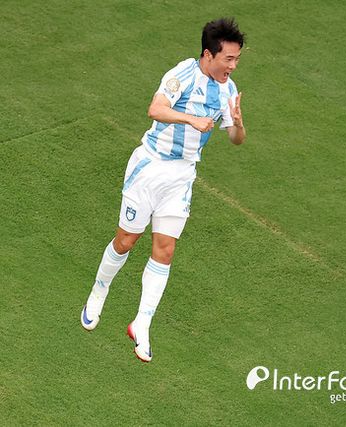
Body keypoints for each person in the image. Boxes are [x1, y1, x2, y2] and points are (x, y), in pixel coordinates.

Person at [80, 18, 246, 361]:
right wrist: (191, 119)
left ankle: (142, 323)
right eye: (228, 58)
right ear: (208, 55)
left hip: (181, 176)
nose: (233, 66)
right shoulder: (182, 74)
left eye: (237, 59)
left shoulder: (228, 90)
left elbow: (235, 138)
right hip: (150, 167)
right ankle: (99, 290)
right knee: (126, 241)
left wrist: (239, 125)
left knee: (165, 250)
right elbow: (155, 109)